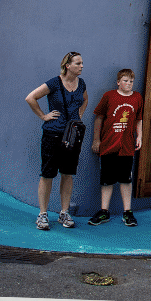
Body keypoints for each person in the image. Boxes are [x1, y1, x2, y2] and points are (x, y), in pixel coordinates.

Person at [26, 51, 88, 230]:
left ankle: (64, 213)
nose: (81, 66)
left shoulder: (81, 83)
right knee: (47, 174)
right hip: (53, 134)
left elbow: (84, 99)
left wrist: (79, 116)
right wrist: (44, 116)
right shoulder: (54, 82)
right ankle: (43, 214)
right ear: (68, 66)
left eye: (82, 63)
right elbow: (31, 98)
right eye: (78, 63)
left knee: (68, 173)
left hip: (72, 135)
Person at [88, 68, 143, 227]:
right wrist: (96, 140)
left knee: (126, 178)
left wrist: (139, 136)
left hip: (126, 146)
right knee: (107, 179)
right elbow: (99, 117)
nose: (129, 84)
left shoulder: (137, 97)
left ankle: (128, 212)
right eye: (125, 81)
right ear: (118, 82)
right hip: (108, 144)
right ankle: (104, 211)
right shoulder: (109, 96)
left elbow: (139, 118)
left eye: (131, 81)